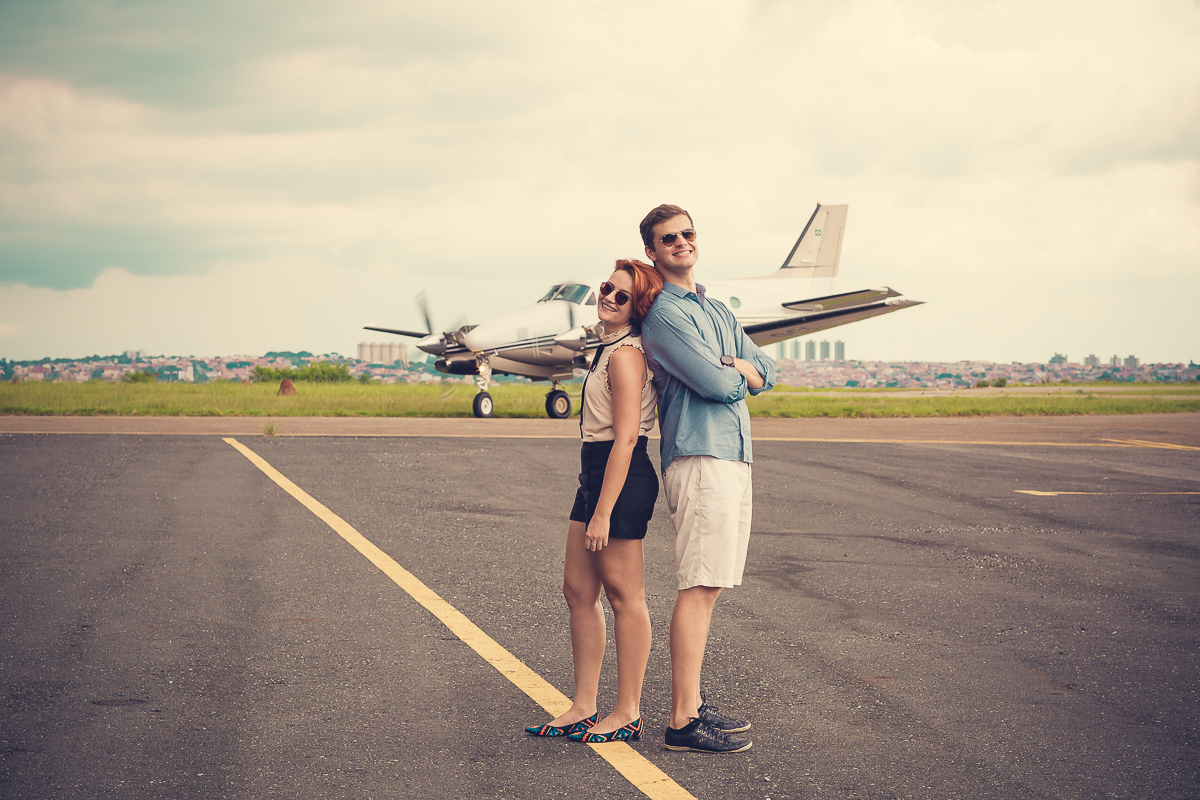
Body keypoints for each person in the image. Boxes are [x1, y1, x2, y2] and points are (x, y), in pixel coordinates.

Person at [638, 204, 776, 754]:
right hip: (700, 457)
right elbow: (721, 386)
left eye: (687, 233)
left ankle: (691, 704)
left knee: (711, 582)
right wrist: (735, 370)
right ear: (653, 251)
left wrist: (737, 367)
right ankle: (680, 721)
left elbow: (766, 370)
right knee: (697, 584)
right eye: (668, 238)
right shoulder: (666, 317)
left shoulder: (715, 308)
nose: (680, 242)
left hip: (732, 457)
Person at [524, 258, 663, 744]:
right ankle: (584, 705)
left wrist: (603, 511)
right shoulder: (607, 347)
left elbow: (626, 438)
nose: (608, 296)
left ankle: (628, 712)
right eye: (607, 287)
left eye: (622, 295)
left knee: (626, 597)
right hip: (595, 473)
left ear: (638, 307)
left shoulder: (626, 355)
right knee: (578, 592)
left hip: (620, 476)